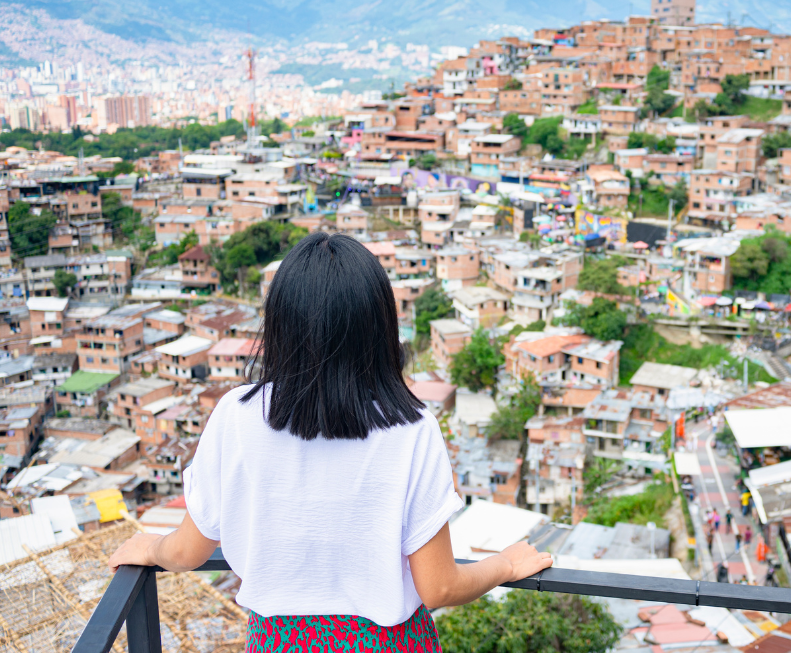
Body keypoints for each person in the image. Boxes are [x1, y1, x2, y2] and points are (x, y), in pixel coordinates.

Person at [106, 233, 552, 652]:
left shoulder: (234, 416)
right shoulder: (413, 428)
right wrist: (506, 566)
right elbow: (439, 587)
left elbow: (187, 551)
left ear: (279, 324)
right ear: (379, 327)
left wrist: (150, 547)